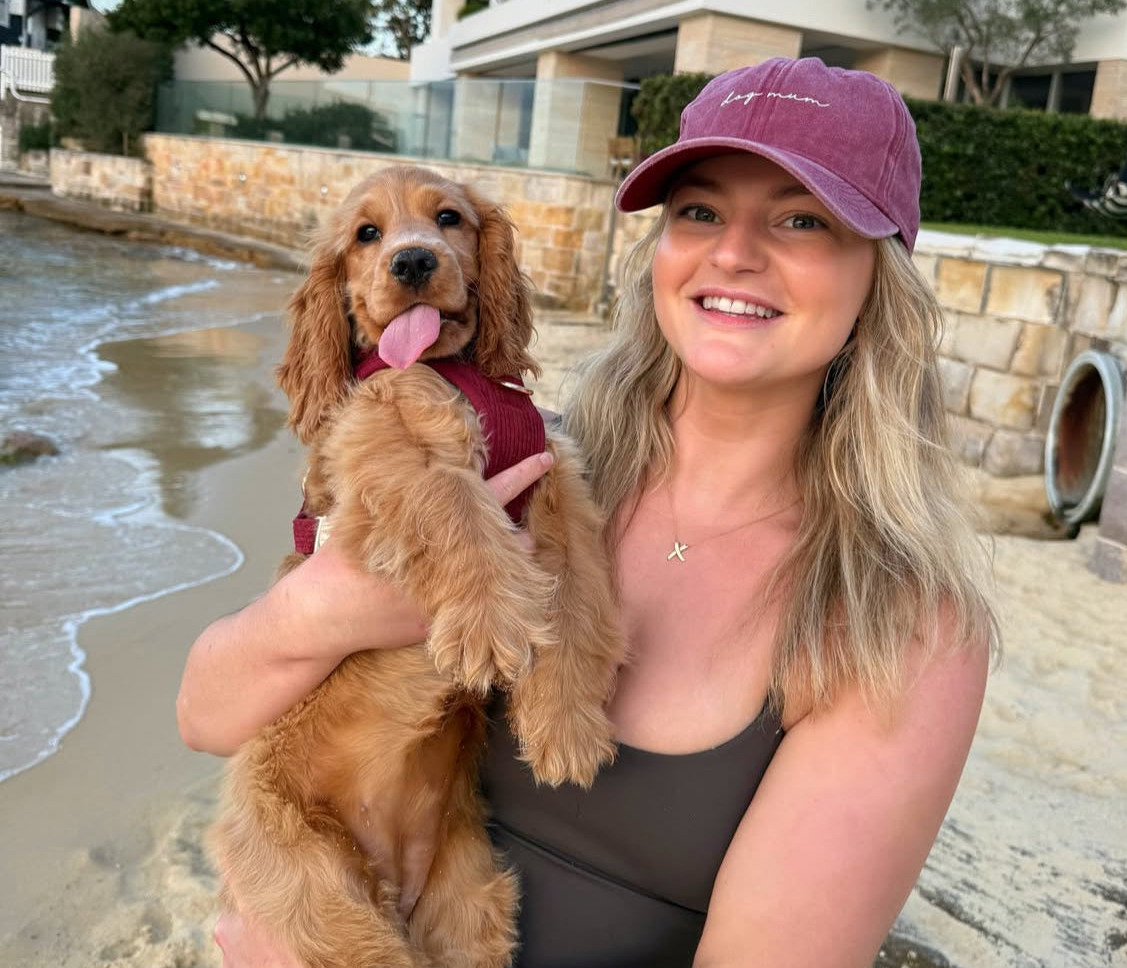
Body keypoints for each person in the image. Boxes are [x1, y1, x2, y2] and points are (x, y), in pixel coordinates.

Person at [179, 56, 998, 968]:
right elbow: (204, 715)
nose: (734, 253)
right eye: (700, 211)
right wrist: (328, 606)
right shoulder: (527, 466)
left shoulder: (902, 626)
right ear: (662, 250)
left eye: (801, 218)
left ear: (880, 275)